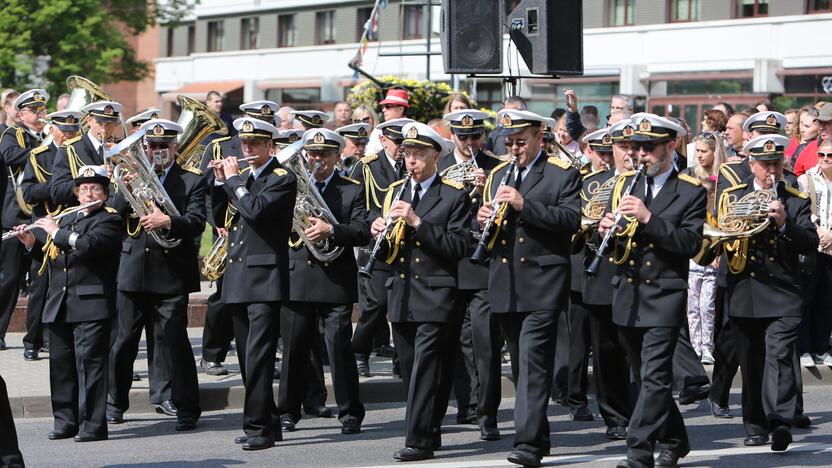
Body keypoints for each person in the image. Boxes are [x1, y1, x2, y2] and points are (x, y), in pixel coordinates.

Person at [597, 113, 706, 468]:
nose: (641, 154)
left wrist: (648, 219)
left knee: (656, 377)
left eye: (650, 147)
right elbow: (620, 245)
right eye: (638, 147)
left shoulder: (689, 191)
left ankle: (638, 450)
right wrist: (606, 231)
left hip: (664, 294)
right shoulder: (627, 185)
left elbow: (689, 243)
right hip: (627, 293)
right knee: (646, 378)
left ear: (671, 146)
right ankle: (676, 438)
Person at [477, 109, 581, 467]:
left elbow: (570, 220)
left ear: (540, 136)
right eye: (509, 143)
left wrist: (524, 205)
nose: (515, 149)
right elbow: (489, 230)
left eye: (521, 142)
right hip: (506, 283)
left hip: (543, 282)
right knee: (522, 368)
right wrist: (482, 220)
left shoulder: (561, 174)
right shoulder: (496, 176)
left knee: (534, 363)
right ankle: (539, 433)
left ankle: (528, 444)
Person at [367, 121, 470, 462]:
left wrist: (418, 224)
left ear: (435, 155)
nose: (411, 161)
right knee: (413, 370)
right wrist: (377, 233)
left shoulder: (453, 195)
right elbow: (387, 252)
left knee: (426, 368)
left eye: (418, 154)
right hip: (402, 294)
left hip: (437, 294)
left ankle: (419, 439)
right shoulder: (396, 191)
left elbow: (458, 246)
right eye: (407, 154)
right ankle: (431, 427)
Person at [720, 134, 817, 452]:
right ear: (751, 164)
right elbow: (719, 237)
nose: (771, 171)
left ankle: (780, 421)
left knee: (779, 356)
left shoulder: (795, 199)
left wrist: (785, 224)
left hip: (782, 292)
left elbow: (809, 242)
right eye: (764, 165)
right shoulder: (734, 197)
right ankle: (755, 425)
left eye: (776, 164)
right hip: (745, 291)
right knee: (751, 362)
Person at [106, 119, 204, 431]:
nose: (157, 151)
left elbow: (198, 222)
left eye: (163, 146)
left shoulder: (192, 180)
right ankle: (114, 402)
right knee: (123, 342)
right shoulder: (130, 176)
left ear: (175, 148)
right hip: (133, 270)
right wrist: (125, 186)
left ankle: (186, 407)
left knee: (174, 341)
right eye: (151, 146)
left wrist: (168, 221)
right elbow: (114, 215)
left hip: (172, 274)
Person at [15, 165, 122, 442]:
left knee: (90, 367)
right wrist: (31, 243)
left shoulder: (109, 220)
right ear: (76, 193)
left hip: (91, 304)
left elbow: (87, 246)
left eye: (94, 189)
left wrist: (53, 230)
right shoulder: (68, 220)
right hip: (59, 302)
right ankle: (65, 420)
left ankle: (93, 425)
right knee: (61, 367)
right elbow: (54, 258)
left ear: (105, 194)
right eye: (83, 189)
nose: (88, 193)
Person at [210, 116, 296, 451]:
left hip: (265, 281)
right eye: (245, 144)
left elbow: (256, 210)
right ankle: (269, 422)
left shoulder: (281, 178)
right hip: (238, 278)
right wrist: (220, 183)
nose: (248, 149)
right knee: (247, 359)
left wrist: (233, 182)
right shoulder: (242, 179)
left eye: (255, 144)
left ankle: (258, 427)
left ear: (270, 147)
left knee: (259, 357)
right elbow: (221, 218)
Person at [276, 128, 370, 435]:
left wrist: (331, 230)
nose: (317, 160)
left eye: (324, 155)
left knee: (339, 347)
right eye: (312, 154)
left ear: (337, 156)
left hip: (335, 279)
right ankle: (288, 411)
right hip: (298, 277)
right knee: (294, 348)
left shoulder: (351, 189)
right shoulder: (291, 186)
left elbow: (362, 230)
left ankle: (350, 411)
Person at [198, 100, 279, 377]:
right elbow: (206, 190)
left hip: (257, 229)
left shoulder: (271, 151)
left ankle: (261, 360)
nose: (250, 144)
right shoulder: (220, 147)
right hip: (229, 228)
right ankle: (211, 353)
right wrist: (217, 223)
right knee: (224, 295)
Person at [439, 110, 505, 437]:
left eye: (474, 136)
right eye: (462, 137)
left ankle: (487, 413)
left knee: (485, 342)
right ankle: (464, 404)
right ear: (452, 135)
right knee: (454, 342)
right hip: (448, 266)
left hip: (482, 265)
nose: (469, 143)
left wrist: (486, 191)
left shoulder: (497, 168)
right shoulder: (439, 168)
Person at [576, 124, 636, 440]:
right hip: (601, 273)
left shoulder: (648, 185)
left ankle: (640, 410)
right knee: (607, 350)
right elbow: (577, 227)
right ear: (611, 151)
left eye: (632, 146)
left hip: (638, 276)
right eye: (621, 147)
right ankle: (614, 416)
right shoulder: (591, 185)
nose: (628, 153)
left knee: (636, 350)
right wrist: (596, 226)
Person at [349, 117, 413, 377]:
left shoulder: (412, 164)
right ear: (384, 140)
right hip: (376, 244)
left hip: (405, 244)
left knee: (403, 305)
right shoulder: (367, 167)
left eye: (405, 142)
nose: (402, 148)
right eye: (397, 142)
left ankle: (401, 360)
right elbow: (353, 204)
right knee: (375, 304)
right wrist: (368, 222)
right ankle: (359, 351)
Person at [19, 110, 84, 361]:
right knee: (40, 287)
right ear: (52, 129)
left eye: (73, 131)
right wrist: (57, 187)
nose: (69, 135)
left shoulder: (80, 152)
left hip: (73, 225)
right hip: (46, 226)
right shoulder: (39, 156)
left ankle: (58, 337)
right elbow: (28, 193)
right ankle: (31, 340)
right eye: (64, 130)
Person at [0, 89, 49, 351]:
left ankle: (37, 338)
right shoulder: (12, 135)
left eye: (43, 110)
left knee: (41, 279)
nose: (42, 115)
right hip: (15, 215)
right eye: (35, 111)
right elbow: (9, 156)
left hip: (40, 216)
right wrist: (43, 149)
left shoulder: (46, 137)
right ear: (21, 115)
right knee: (9, 278)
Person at [684, 132, 727, 364]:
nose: (699, 155)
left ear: (715, 152)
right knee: (692, 305)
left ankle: (708, 346)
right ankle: (694, 347)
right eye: (697, 151)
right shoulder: (689, 175)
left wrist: (717, 250)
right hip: (693, 252)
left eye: (704, 151)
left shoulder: (723, 178)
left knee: (707, 305)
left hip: (716, 252)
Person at [796, 141, 832, 367]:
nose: (826, 158)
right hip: (813, 245)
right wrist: (820, 232)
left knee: (827, 299)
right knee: (807, 298)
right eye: (822, 153)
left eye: (830, 154)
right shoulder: (805, 179)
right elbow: (802, 210)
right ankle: (804, 349)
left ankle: (822, 348)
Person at [51, 100, 123, 206]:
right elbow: (57, 193)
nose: (104, 129)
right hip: (86, 219)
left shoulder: (120, 148)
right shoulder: (70, 149)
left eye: (109, 124)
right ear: (89, 120)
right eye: (99, 123)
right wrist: (93, 175)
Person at [365, 89, 410, 155]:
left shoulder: (413, 129)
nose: (383, 110)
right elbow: (370, 155)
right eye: (383, 106)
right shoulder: (378, 131)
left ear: (401, 109)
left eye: (388, 106)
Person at [791, 106, 822, 175]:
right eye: (802, 124)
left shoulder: (824, 147)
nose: (802, 130)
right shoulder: (801, 148)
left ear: (820, 128)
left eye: (807, 126)